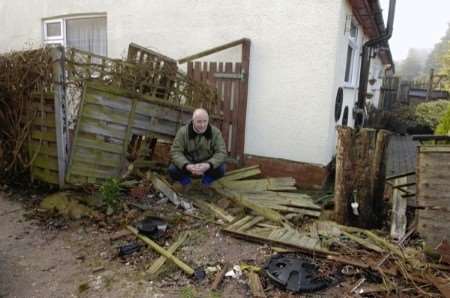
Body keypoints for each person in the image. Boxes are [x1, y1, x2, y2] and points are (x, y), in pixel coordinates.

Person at [168, 108, 227, 189]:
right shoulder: (183, 132)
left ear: (208, 120)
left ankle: (205, 182)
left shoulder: (215, 133)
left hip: (206, 164)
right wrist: (187, 165)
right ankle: (186, 182)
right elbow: (175, 152)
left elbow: (221, 152)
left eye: (205, 121)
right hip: (189, 163)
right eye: (199, 121)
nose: (202, 125)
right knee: (172, 170)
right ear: (193, 121)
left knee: (221, 169)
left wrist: (208, 164)